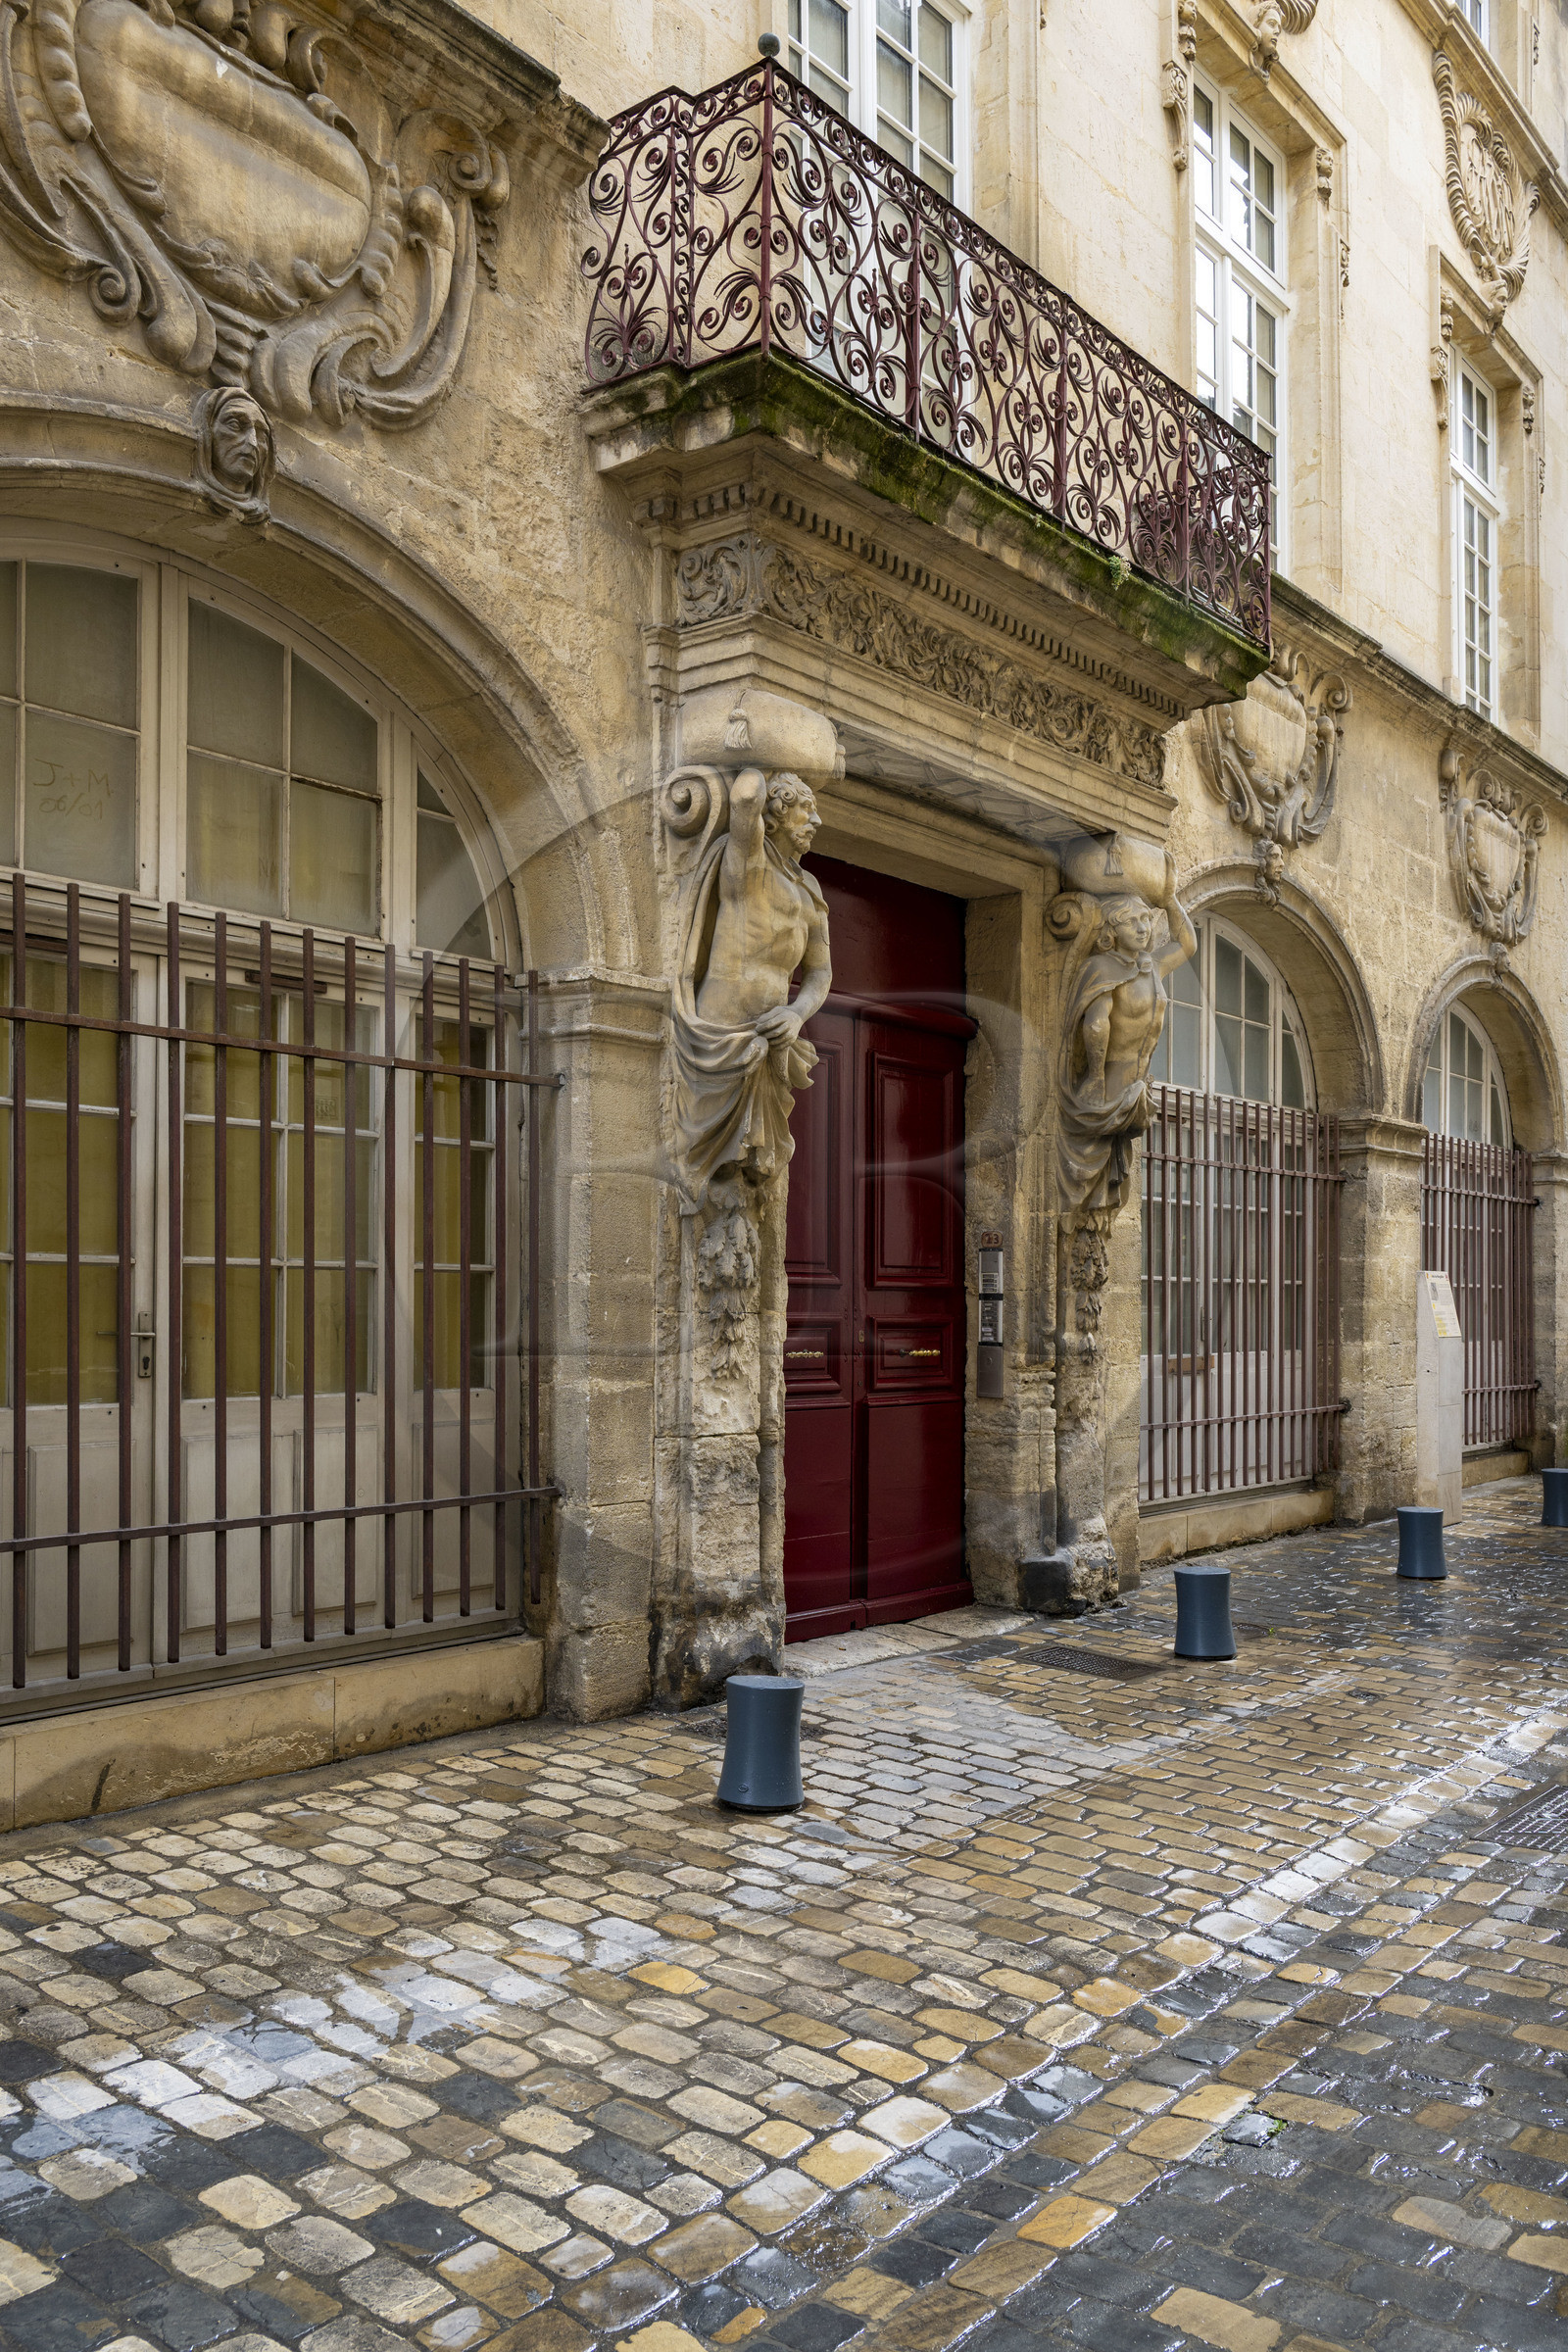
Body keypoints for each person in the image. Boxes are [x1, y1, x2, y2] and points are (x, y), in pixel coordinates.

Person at [672, 768, 833, 1212]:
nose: (815, 820)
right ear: (775, 815)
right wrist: (754, 737)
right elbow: (745, 797)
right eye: (806, 808)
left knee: (755, 1168)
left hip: (775, 1037)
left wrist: (797, 1013)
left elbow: (820, 974)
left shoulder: (811, 891)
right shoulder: (748, 864)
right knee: (709, 1163)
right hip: (722, 1031)